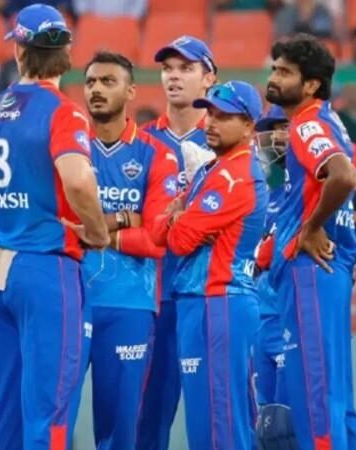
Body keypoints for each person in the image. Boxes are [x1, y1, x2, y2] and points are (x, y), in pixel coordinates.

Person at [0, 5, 109, 449]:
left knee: (0, 414)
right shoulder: (64, 112)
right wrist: (99, 232)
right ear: (66, 53)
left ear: (19, 50)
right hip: (47, 266)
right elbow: (77, 179)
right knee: (49, 409)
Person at [265, 33, 356, 450]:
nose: (274, 77)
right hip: (330, 271)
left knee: (315, 395)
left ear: (311, 84)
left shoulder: (307, 123)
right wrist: (344, 218)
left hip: (311, 271)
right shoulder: (332, 124)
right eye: (274, 69)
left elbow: (345, 177)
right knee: (335, 395)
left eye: (285, 72)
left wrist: (312, 227)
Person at [150, 80, 268, 450]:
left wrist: (178, 217)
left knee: (220, 424)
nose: (211, 123)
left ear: (248, 126)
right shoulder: (209, 171)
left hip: (220, 301)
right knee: (207, 424)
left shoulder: (237, 175)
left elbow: (180, 240)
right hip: (198, 301)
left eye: (224, 116)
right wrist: (177, 218)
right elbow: (157, 230)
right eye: (210, 114)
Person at [79, 51, 178, 450]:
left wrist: (93, 229)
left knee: (120, 431)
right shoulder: (68, 150)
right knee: (51, 419)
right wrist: (124, 216)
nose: (96, 89)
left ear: (131, 91)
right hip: (70, 299)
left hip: (130, 304)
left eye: (108, 81)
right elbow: (60, 227)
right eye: (90, 82)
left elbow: (156, 239)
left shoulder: (157, 154)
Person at [137, 34, 216, 450]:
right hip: (154, 297)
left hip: (210, 297)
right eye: (168, 68)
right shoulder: (143, 142)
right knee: (147, 422)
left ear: (209, 78)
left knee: (216, 419)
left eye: (186, 68)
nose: (174, 76)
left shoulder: (227, 141)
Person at [253, 105, 289, 409]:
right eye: (274, 128)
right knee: (264, 417)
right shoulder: (266, 195)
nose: (279, 136)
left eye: (285, 127)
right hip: (259, 317)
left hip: (292, 318)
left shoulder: (319, 189)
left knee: (295, 416)